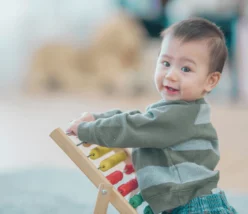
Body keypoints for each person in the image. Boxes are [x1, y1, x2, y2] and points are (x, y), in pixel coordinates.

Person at [66, 17, 237, 214]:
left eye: (185, 69)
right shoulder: (183, 111)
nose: (171, 75)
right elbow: (139, 118)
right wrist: (98, 118)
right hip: (189, 203)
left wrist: (87, 130)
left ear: (210, 80)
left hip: (195, 208)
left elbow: (135, 126)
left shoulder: (179, 116)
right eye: (165, 63)